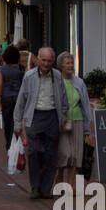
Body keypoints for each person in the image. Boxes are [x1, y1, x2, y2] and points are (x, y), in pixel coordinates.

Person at [12, 46, 68, 199]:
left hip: (52, 116)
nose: (46, 64)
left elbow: (63, 99)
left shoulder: (57, 76)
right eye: (43, 60)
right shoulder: (29, 76)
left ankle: (46, 188)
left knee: (50, 155)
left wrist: (62, 117)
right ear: (37, 59)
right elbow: (21, 100)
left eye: (49, 61)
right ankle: (35, 187)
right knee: (35, 152)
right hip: (34, 117)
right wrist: (17, 124)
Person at [57, 54, 95, 189]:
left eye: (72, 63)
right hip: (62, 122)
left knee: (76, 155)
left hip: (78, 120)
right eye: (67, 63)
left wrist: (88, 130)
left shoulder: (79, 83)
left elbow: (85, 104)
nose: (70, 66)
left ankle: (71, 186)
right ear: (61, 65)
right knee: (65, 153)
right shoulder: (57, 81)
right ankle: (59, 180)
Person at [0, 46, 26, 153]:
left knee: (8, 122)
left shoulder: (2, 69)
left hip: (6, 98)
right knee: (18, 121)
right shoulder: (21, 68)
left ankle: (9, 144)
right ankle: (17, 141)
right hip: (19, 98)